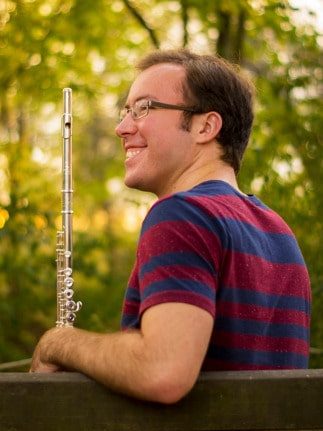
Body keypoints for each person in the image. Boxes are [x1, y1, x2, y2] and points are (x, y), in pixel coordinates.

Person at [31, 49, 311, 404]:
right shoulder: (279, 232)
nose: (122, 128)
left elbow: (163, 372)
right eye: (125, 111)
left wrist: (59, 343)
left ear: (205, 127)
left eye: (144, 108)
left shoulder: (182, 215)